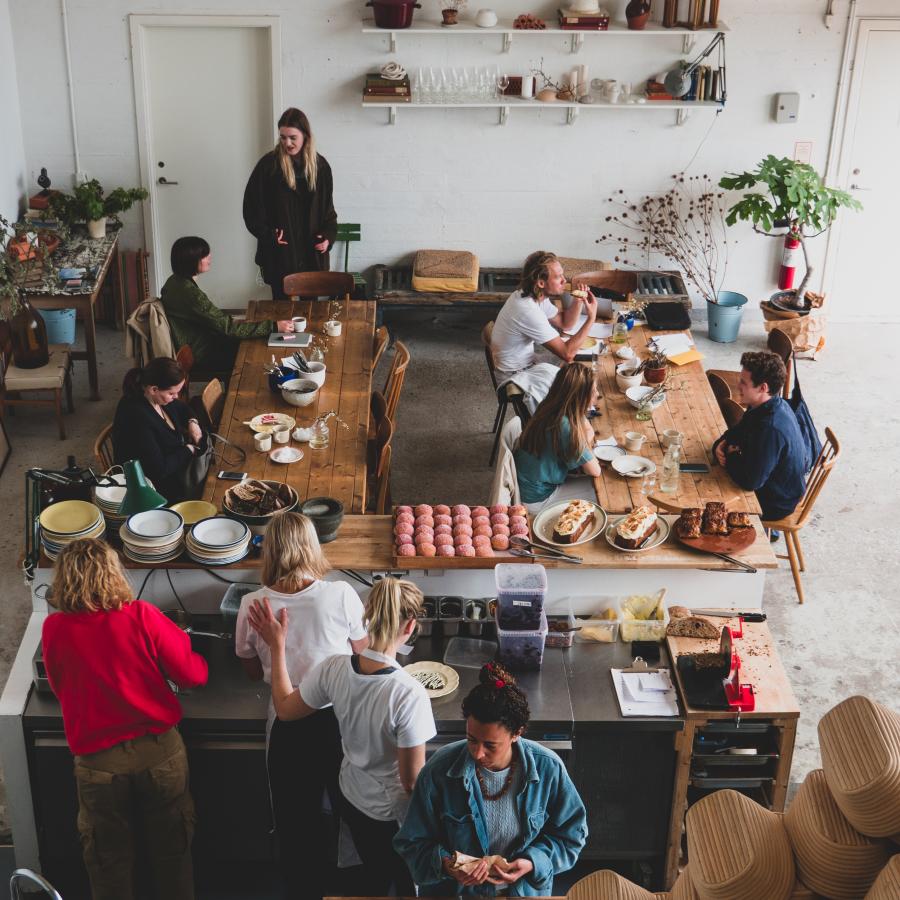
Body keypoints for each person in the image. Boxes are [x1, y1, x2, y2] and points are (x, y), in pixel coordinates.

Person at [41, 538, 208, 900]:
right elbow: (191, 676)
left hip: (98, 764)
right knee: (172, 854)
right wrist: (200, 659)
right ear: (113, 573)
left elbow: (60, 686)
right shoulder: (142, 615)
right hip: (159, 754)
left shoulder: (54, 629)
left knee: (107, 861)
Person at [248, 577, 436, 896]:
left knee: (373, 877)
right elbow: (411, 782)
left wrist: (276, 646)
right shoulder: (409, 694)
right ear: (410, 626)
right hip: (390, 814)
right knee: (403, 882)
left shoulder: (333, 668)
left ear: (366, 616)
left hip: (352, 797)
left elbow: (285, 709)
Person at [234, 511, 368, 900]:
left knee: (295, 821)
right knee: (351, 811)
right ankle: (351, 888)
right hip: (339, 720)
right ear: (313, 547)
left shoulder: (252, 604)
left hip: (287, 721)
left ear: (269, 551)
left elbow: (247, 668)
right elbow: (361, 654)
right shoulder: (341, 595)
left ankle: (303, 889)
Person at [394, 662, 587, 896]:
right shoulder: (439, 771)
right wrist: (447, 865)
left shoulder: (548, 769)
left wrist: (533, 862)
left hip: (520, 892)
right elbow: (412, 843)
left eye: (490, 745)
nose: (477, 753)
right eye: (471, 739)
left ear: (517, 733)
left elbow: (571, 837)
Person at [243, 108, 338, 300]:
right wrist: (269, 235)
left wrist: (328, 237)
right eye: (283, 137)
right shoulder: (269, 167)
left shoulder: (321, 167)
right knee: (282, 311)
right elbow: (251, 209)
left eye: (293, 137)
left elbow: (328, 212)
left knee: (309, 311)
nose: (287, 143)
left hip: (311, 251)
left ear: (305, 135)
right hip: (280, 251)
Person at [160, 236, 291, 372]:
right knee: (255, 350)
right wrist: (273, 326)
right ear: (190, 261)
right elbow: (228, 328)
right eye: (204, 255)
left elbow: (218, 320)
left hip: (195, 341)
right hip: (202, 351)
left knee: (253, 338)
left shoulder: (174, 281)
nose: (209, 257)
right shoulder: (190, 294)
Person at [490, 251, 600, 409]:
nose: (564, 280)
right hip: (515, 376)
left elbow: (565, 323)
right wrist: (591, 319)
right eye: (558, 277)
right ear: (541, 283)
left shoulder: (534, 296)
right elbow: (567, 354)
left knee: (583, 370)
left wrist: (578, 301)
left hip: (527, 361)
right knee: (578, 382)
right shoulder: (527, 309)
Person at [712, 350, 807, 522]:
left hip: (775, 502)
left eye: (744, 382)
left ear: (763, 388)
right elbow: (735, 433)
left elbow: (750, 482)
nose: (738, 385)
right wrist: (720, 445)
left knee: (709, 505)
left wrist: (730, 455)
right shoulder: (762, 405)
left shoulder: (770, 428)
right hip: (769, 481)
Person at [112, 357, 207, 504]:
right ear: (154, 389)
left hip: (172, 469)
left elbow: (182, 408)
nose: (176, 397)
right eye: (172, 393)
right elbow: (159, 470)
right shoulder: (137, 418)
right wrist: (189, 450)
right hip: (152, 489)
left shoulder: (157, 398)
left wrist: (192, 422)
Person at [513, 363, 603, 513]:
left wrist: (587, 435)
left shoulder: (550, 406)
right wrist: (587, 441)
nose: (597, 394)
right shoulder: (565, 426)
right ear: (580, 396)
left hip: (530, 484)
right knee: (601, 493)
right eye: (593, 391)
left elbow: (585, 426)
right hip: (539, 499)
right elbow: (594, 470)